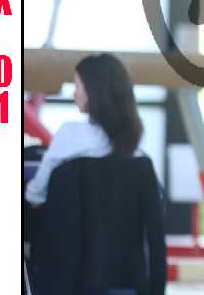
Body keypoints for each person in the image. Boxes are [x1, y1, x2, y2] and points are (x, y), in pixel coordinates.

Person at [25, 52, 145, 208]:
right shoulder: (138, 154)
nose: (73, 93)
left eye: (77, 86)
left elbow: (35, 196)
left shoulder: (69, 134)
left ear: (91, 91)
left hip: (69, 222)